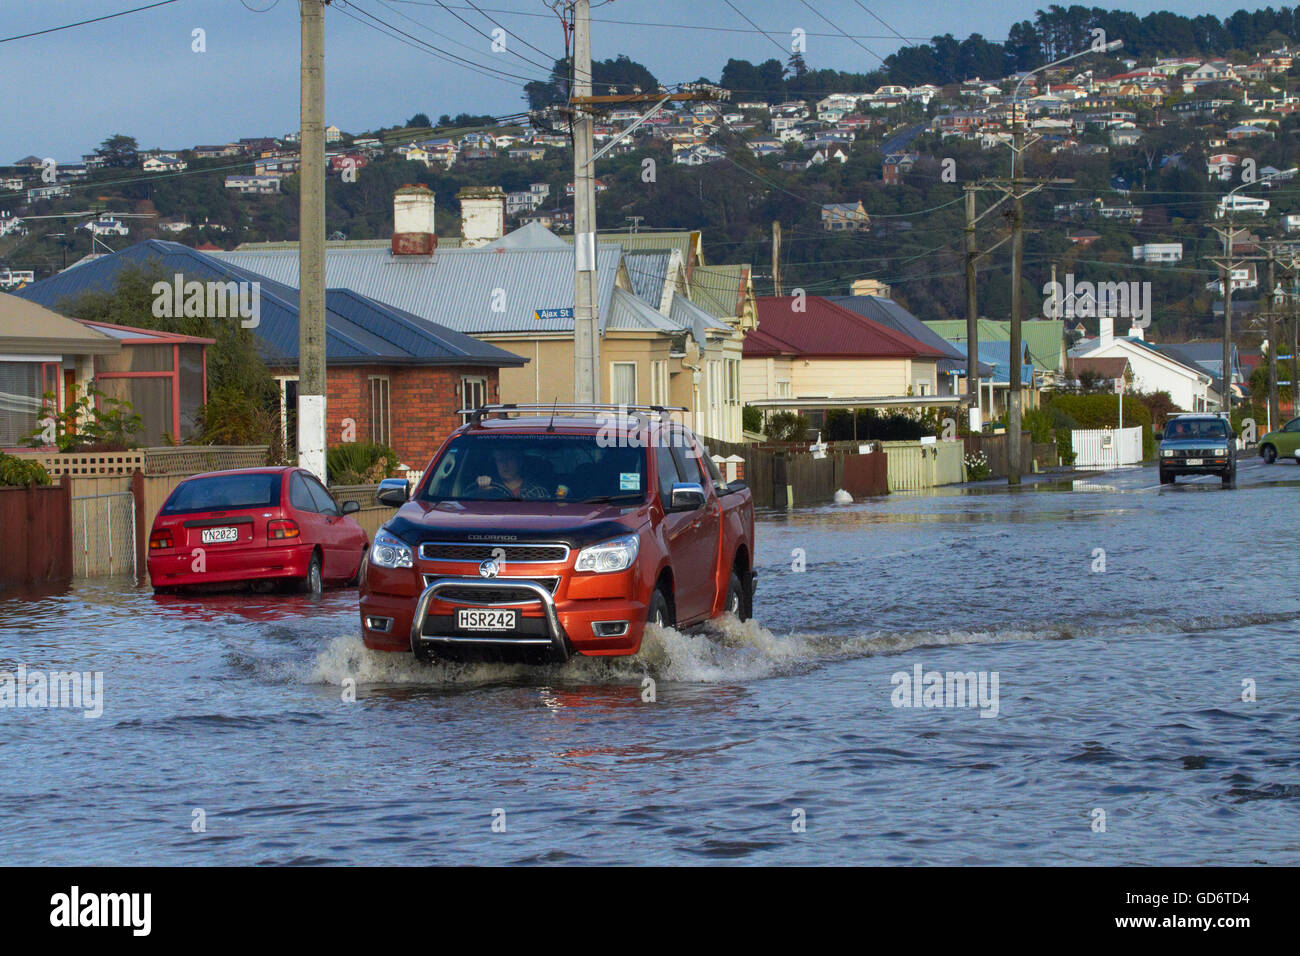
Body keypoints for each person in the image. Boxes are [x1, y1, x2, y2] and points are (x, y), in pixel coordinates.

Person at [476, 447, 549, 499]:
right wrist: (481, 491)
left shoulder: (537, 491)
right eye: (500, 460)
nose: (505, 464)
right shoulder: (488, 488)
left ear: (519, 462)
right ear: (496, 464)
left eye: (509, 459)